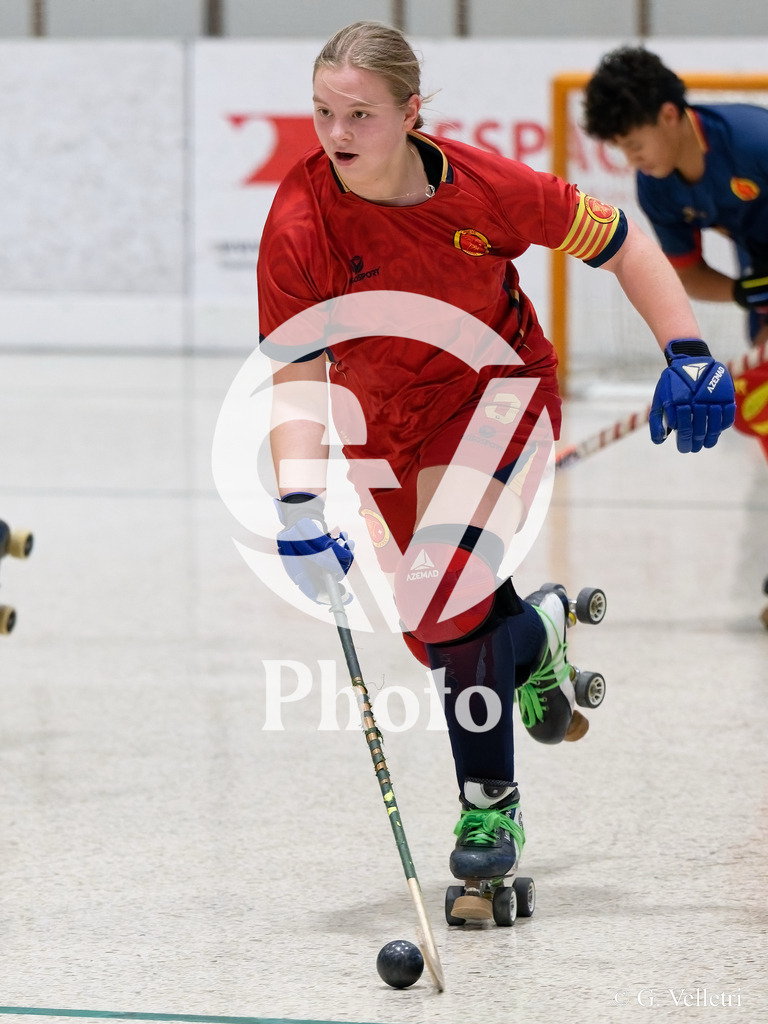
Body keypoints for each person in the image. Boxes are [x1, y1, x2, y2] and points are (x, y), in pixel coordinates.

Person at [257, 22, 736, 918]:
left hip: (499, 399)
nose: (338, 133)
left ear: (412, 113)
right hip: (389, 430)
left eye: (361, 113)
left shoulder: (486, 188)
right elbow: (295, 371)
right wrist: (296, 503)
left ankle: (489, 818)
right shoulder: (298, 220)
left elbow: (626, 243)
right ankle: (541, 631)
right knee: (439, 638)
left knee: (443, 595)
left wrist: (688, 351)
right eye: (323, 112)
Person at [582, 47, 768, 449]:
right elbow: (687, 275)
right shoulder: (656, 187)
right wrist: (743, 291)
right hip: (759, 260)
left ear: (668, 115)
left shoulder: (756, 143)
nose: (632, 159)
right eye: (621, 149)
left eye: (634, 144)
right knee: (758, 399)